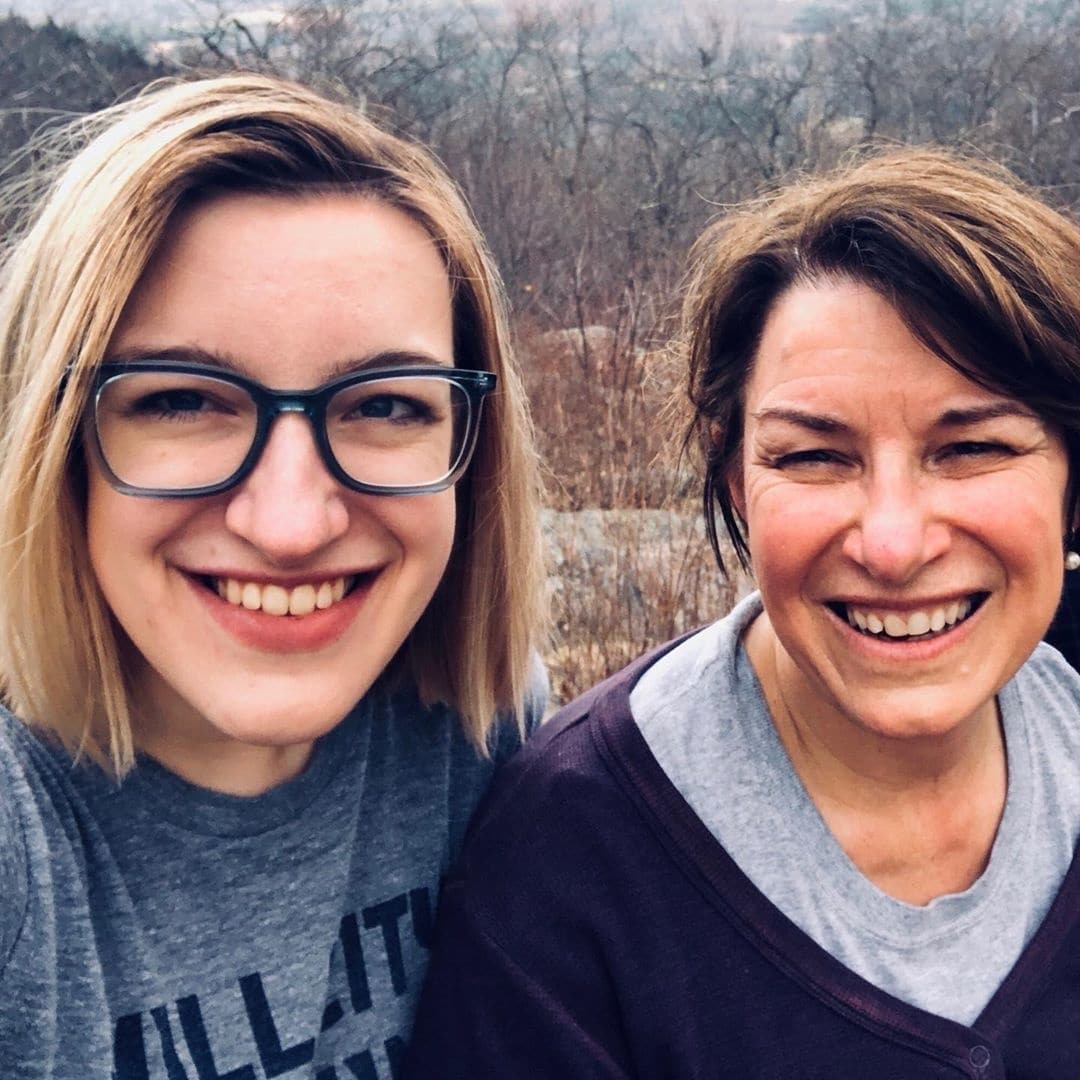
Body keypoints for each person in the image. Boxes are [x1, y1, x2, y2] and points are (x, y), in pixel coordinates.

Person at [405, 148, 1080, 1077]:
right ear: (736, 483)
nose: (893, 543)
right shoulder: (573, 857)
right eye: (812, 457)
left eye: (971, 447)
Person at [0, 73, 546, 1078]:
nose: (292, 524)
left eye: (385, 406)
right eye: (181, 402)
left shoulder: (482, 737)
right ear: (52, 445)